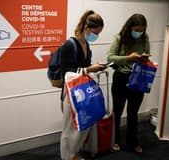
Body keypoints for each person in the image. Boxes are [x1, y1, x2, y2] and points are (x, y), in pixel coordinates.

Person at [60, 10, 106, 160]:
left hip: (82, 92)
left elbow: (83, 68)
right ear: (86, 28)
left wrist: (95, 67)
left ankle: (74, 154)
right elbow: (66, 73)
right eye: (95, 32)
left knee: (82, 126)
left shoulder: (86, 45)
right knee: (70, 129)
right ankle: (67, 157)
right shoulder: (69, 45)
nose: (96, 36)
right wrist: (89, 69)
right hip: (71, 94)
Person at [107, 13, 150, 153]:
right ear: (129, 27)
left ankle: (133, 142)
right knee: (118, 111)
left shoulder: (145, 38)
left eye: (141, 30)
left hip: (138, 78)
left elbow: (148, 53)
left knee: (133, 112)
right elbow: (110, 57)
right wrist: (128, 57)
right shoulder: (119, 38)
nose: (138, 32)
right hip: (121, 78)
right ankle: (115, 140)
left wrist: (144, 58)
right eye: (136, 30)